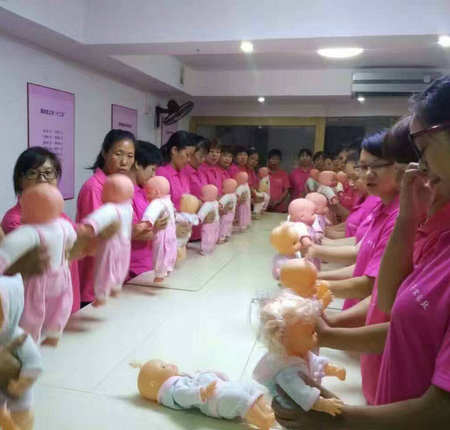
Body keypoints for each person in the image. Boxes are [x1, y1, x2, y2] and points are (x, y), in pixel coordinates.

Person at [272, 77, 450, 428]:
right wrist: (327, 332)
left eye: (422, 151)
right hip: (388, 394)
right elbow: (396, 307)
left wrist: (339, 420)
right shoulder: (432, 231)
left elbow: (441, 409)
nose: (417, 170)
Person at [2, 147, 81, 313]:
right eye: (33, 173)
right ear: (20, 180)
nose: (42, 179)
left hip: (67, 303)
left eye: (48, 173)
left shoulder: (59, 216)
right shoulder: (15, 220)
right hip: (38, 311)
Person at [76, 129, 136, 305]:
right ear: (104, 153)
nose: (124, 162)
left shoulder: (123, 186)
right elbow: (97, 234)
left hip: (116, 274)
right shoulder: (94, 188)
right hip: (95, 278)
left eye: (130, 156)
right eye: (118, 154)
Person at [127, 141, 168, 279]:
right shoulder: (125, 193)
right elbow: (130, 232)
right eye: (152, 169)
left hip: (148, 263)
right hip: (134, 268)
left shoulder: (143, 190)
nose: (154, 175)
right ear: (138, 164)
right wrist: (160, 229)